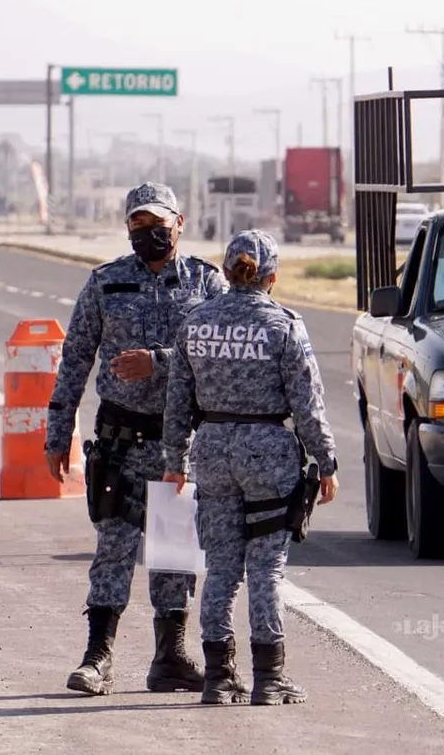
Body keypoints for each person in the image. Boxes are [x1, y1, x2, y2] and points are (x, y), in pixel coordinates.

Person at [44, 181, 229, 696]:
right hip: (120, 440)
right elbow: (74, 358)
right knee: (113, 550)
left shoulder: (206, 284)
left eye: (157, 224)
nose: (148, 234)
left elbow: (217, 357)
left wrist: (159, 361)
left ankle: (170, 657)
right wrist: (56, 433)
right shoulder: (105, 283)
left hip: (177, 444)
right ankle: (97, 656)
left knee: (174, 555)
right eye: (137, 225)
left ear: (180, 222)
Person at [161, 229, 339, 706]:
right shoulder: (284, 325)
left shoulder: (195, 322)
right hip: (268, 454)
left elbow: (177, 402)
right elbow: (307, 403)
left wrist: (174, 462)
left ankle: (219, 678)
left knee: (220, 567)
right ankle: (269, 677)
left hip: (213, 450)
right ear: (271, 277)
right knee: (266, 570)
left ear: (225, 272)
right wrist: (325, 460)